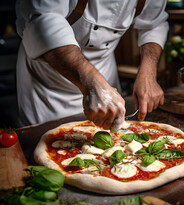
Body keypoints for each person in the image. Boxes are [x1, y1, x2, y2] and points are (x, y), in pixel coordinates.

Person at [15, 0, 169, 131]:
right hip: (48, 84)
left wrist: (148, 73)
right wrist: (91, 82)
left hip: (105, 76)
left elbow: (153, 24)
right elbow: (43, 22)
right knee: (41, 147)